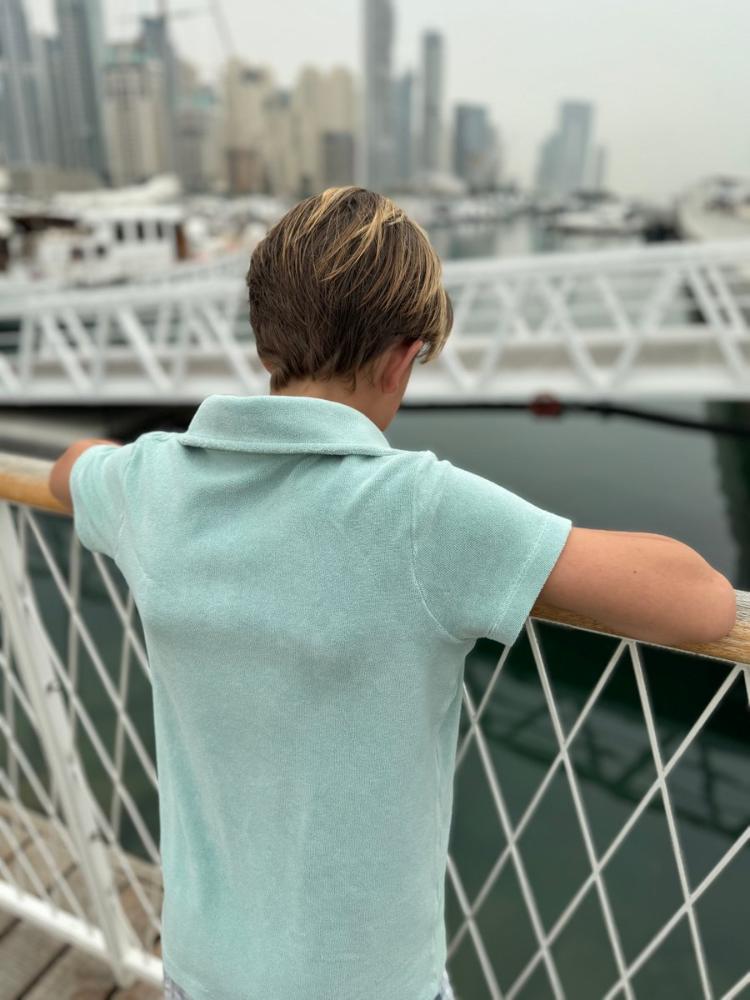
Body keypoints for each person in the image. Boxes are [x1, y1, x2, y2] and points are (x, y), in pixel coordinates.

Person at [48, 186, 736, 1000]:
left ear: (266, 339)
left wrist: (120, 458)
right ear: (401, 359)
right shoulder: (419, 512)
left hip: (201, 971)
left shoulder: (152, 481)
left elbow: (69, 470)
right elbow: (702, 602)